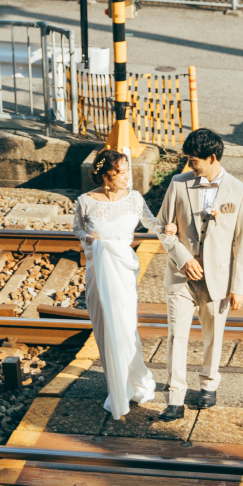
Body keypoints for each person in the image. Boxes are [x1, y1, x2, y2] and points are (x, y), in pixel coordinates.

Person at [72, 148, 177, 421]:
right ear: (107, 176)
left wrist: (167, 229)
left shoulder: (134, 199)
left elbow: (152, 223)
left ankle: (135, 382)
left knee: (126, 328)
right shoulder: (85, 201)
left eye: (128, 170)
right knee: (106, 329)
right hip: (99, 273)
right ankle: (115, 388)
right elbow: (77, 229)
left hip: (123, 271)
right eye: (121, 172)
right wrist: (89, 238)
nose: (127, 176)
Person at [155, 127, 243, 421]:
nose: (190, 166)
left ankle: (208, 385)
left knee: (213, 335)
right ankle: (175, 398)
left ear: (212, 158)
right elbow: (161, 227)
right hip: (181, 277)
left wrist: (239, 287)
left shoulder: (240, 192)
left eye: (194, 160)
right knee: (176, 336)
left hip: (218, 280)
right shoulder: (178, 183)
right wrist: (182, 257)